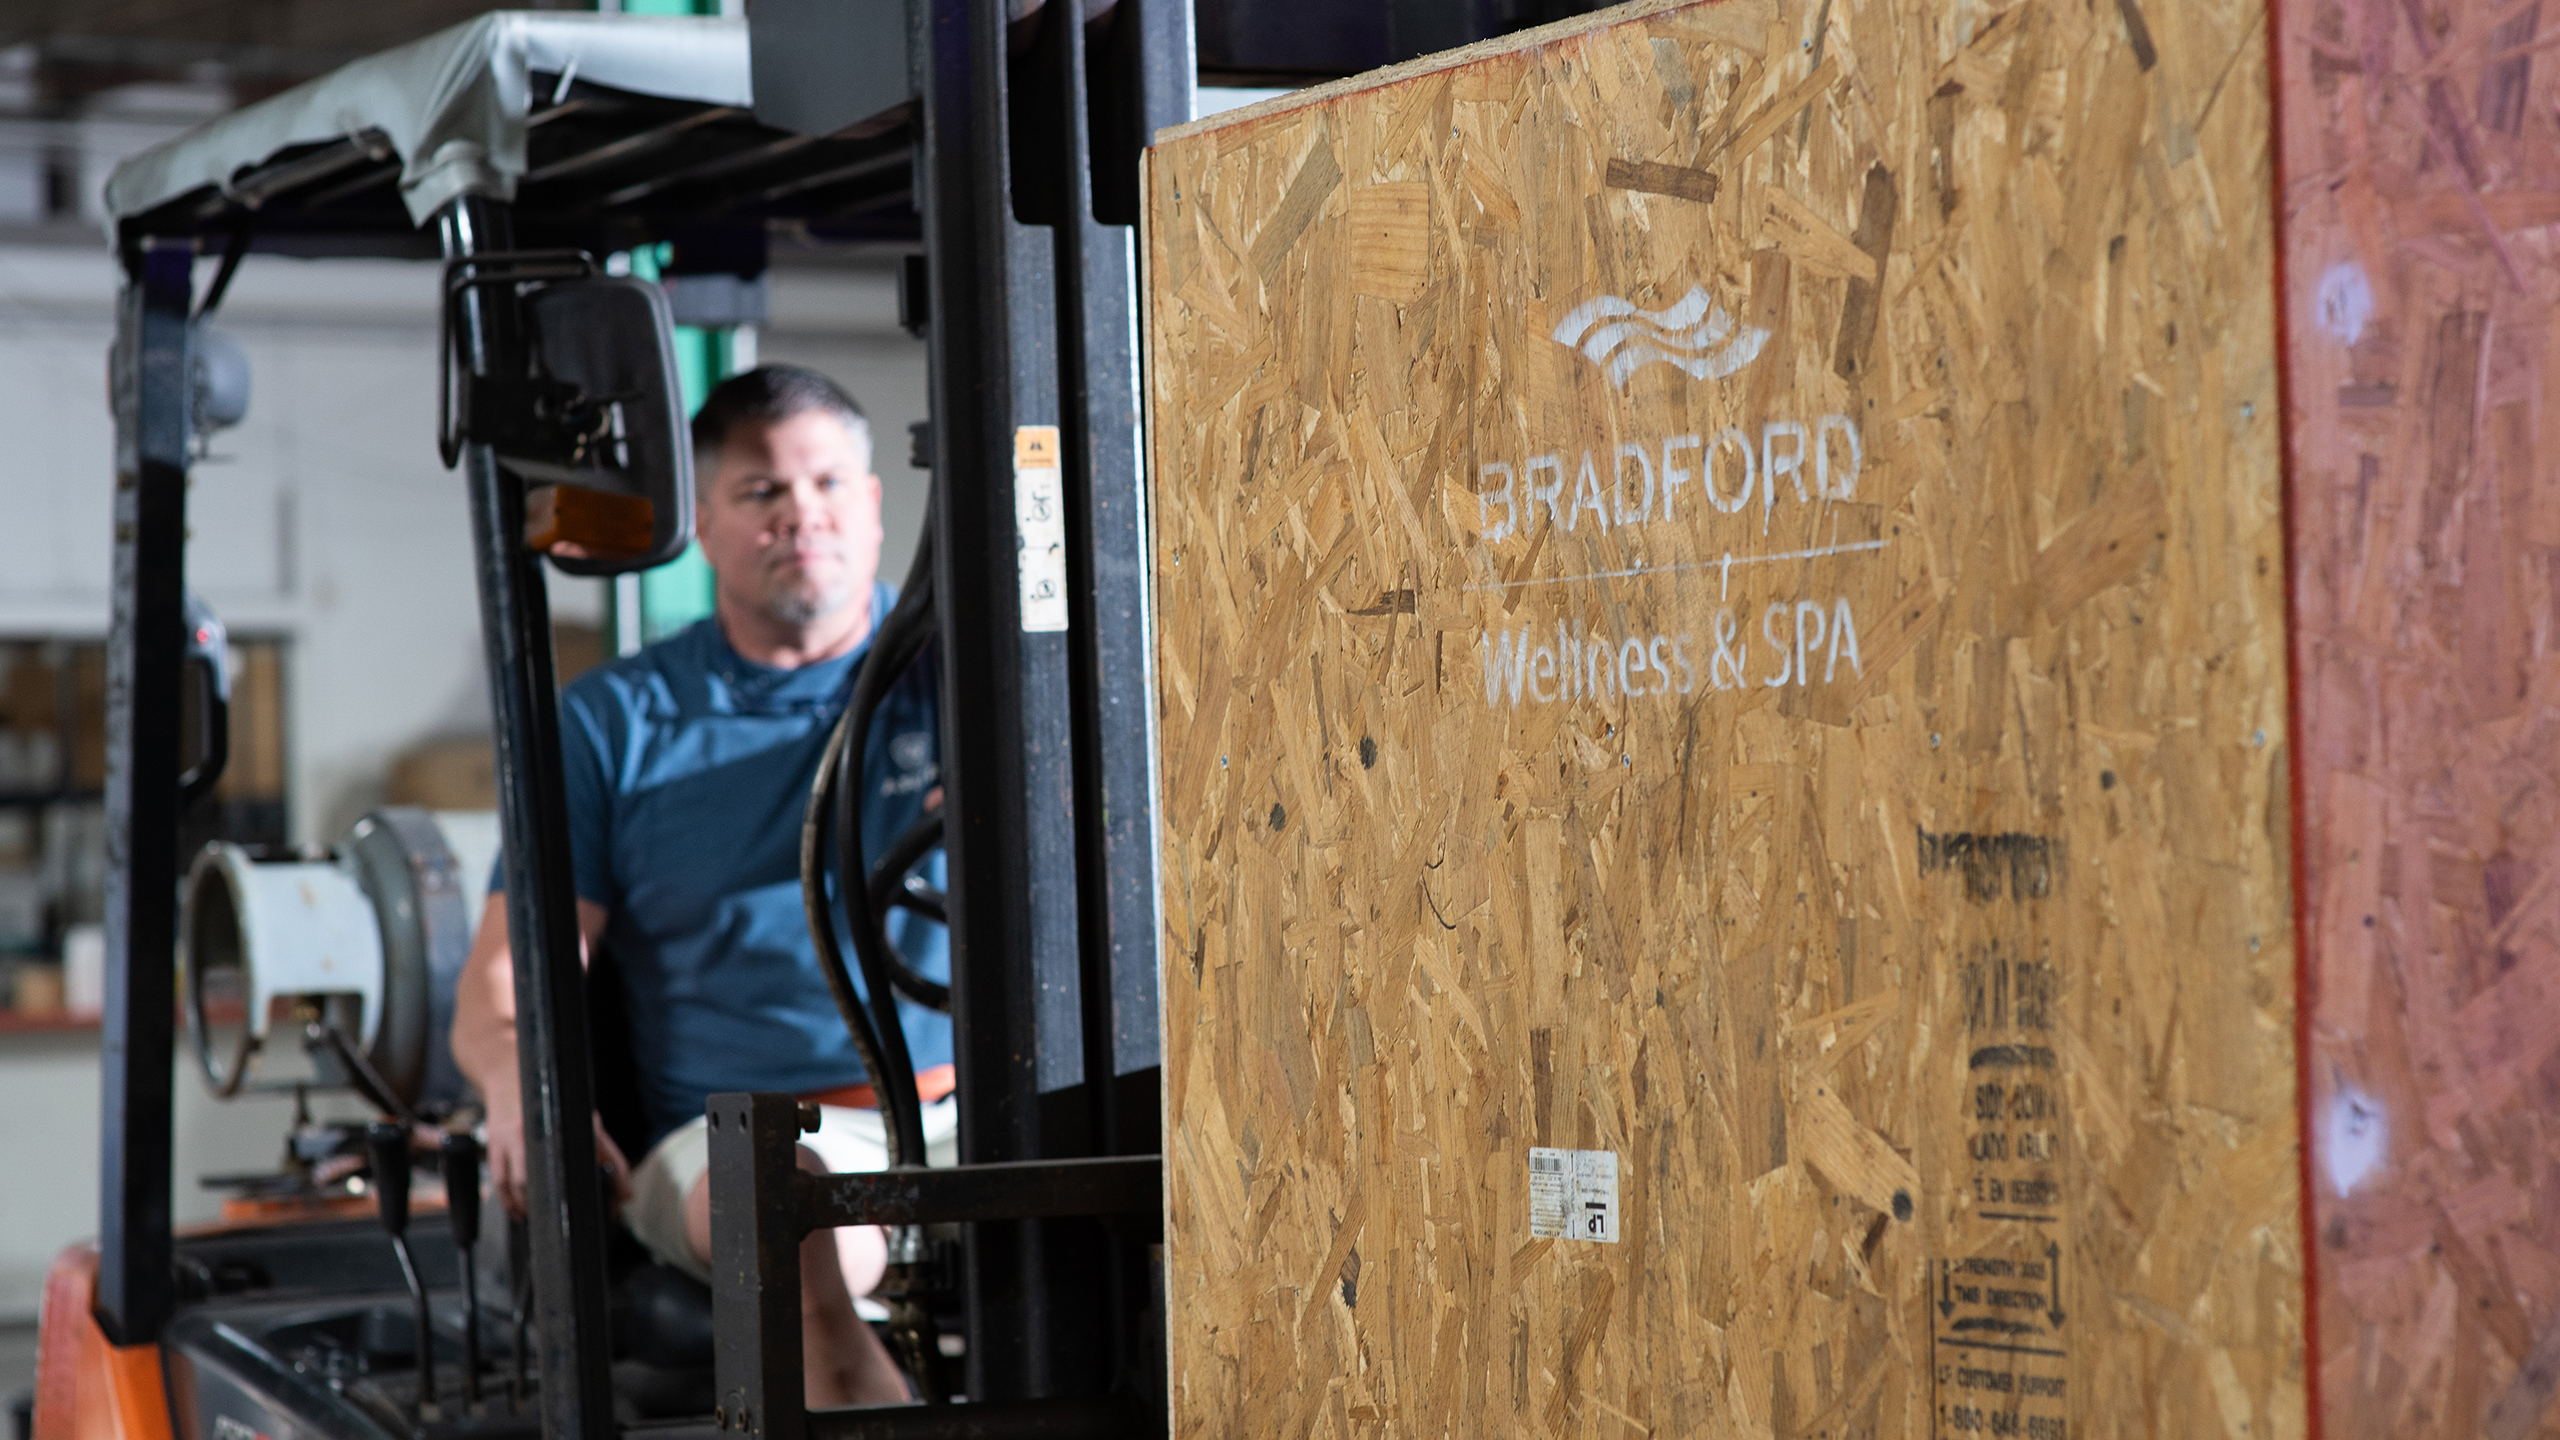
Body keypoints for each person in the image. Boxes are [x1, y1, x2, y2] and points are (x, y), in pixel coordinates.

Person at [450, 365, 950, 1407]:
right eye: (761, 493)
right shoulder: (613, 725)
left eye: (825, 485)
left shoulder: (976, 677)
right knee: (784, 1206)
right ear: (704, 525)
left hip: (976, 1111)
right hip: (746, 1142)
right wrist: (515, 1090)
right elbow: (504, 982)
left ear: (872, 503)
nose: (799, 516)